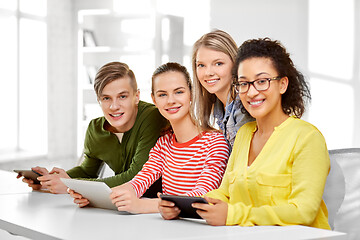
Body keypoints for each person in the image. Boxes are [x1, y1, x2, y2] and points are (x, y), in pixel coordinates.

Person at [161, 38, 331, 230]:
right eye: (244, 83)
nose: (251, 92)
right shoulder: (243, 134)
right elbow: (224, 192)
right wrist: (187, 206)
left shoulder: (307, 138)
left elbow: (304, 211)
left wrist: (233, 214)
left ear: (282, 84)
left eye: (261, 81)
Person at [70, 62, 229, 213]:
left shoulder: (216, 142)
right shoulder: (163, 144)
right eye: (162, 94)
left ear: (191, 94)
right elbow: (137, 183)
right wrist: (92, 197)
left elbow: (201, 197)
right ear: (154, 100)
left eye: (178, 92)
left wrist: (143, 205)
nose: (171, 101)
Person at [18, 62, 168, 195]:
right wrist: (49, 180)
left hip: (157, 208)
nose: (114, 106)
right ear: (98, 100)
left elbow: (135, 176)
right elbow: (87, 171)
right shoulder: (95, 129)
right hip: (121, 206)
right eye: (106, 98)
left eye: (122, 96)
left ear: (136, 96)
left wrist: (71, 186)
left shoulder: (152, 117)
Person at [192, 29, 253, 149]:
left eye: (218, 63)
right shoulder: (219, 106)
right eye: (201, 65)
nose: (208, 73)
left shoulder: (242, 106)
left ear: (235, 64)